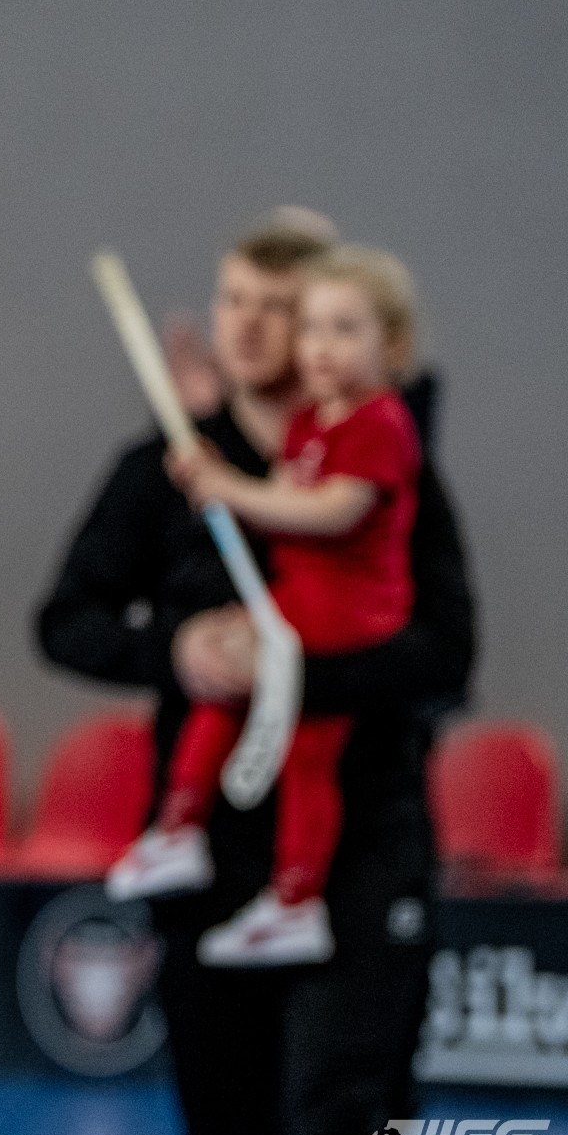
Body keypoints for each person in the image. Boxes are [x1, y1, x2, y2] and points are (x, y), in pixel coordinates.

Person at [37, 220, 475, 1135]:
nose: (246, 326)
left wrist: (286, 672)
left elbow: (446, 657)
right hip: (216, 867)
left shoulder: (386, 466)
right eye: (232, 299)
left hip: (361, 850)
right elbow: (64, 622)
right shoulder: (170, 465)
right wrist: (179, 652)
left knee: (357, 1133)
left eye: (277, 309)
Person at [110, 246, 424, 968]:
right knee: (224, 682)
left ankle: (292, 894)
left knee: (305, 749)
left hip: (349, 610)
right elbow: (276, 492)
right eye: (311, 328)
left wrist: (231, 488)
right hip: (298, 597)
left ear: (392, 344)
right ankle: (182, 827)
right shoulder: (312, 420)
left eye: (344, 329)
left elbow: (332, 509)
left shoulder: (380, 422)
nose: (321, 347)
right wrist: (210, 451)